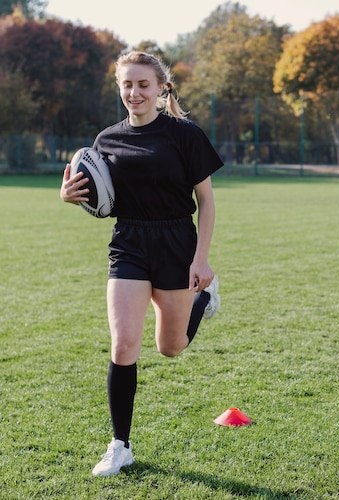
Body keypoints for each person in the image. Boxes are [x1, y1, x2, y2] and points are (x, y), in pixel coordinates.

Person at [60, 51, 224, 476]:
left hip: (176, 242)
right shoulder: (105, 141)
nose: (134, 93)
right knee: (123, 345)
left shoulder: (185, 135)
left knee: (170, 348)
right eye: (127, 85)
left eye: (143, 85)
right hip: (129, 243)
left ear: (161, 88)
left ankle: (202, 300)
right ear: (119, 88)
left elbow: (205, 201)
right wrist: (70, 196)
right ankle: (120, 445)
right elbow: (96, 197)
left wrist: (201, 258)